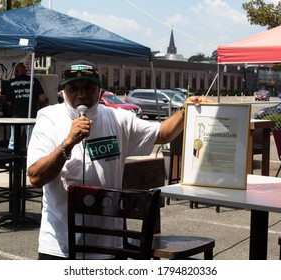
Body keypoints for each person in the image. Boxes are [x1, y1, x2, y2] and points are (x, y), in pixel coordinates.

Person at [26, 61, 213, 260]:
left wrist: (185, 109)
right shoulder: (49, 119)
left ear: (100, 91)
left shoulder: (119, 119)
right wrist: (68, 144)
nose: (81, 94)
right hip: (60, 244)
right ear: (64, 92)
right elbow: (35, 177)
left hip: (108, 244)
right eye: (73, 88)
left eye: (88, 87)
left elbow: (163, 134)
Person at [6, 62, 46, 149]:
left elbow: (9, 102)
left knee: (13, 140)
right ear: (26, 71)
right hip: (31, 114)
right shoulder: (34, 80)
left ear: (16, 71)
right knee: (32, 140)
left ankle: (9, 161)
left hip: (16, 115)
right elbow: (42, 98)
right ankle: (31, 160)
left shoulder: (11, 83)